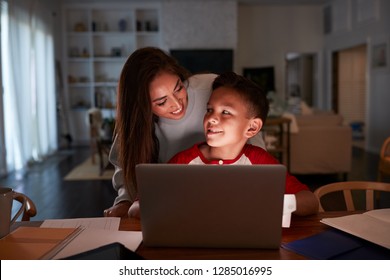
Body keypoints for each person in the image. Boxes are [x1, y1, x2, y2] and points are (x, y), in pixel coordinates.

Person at [105, 47, 266, 218]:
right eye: (161, 102)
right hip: (173, 202)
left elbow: (249, 128)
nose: (177, 104)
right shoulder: (140, 128)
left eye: (178, 88)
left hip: (229, 195)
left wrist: (258, 180)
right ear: (142, 107)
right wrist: (125, 200)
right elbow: (125, 163)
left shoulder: (212, 89)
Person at [167, 72, 318, 216]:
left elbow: (310, 202)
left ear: (252, 127)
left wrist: (272, 203)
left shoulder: (260, 161)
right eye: (209, 110)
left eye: (225, 112)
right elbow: (150, 202)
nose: (211, 118)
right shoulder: (182, 162)